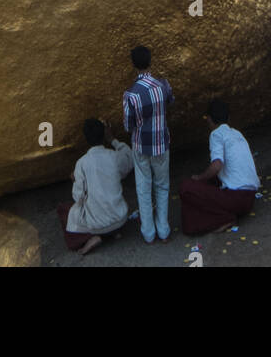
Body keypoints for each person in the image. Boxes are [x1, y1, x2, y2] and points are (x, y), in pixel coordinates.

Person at [179, 99, 260, 234]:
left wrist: (199, 178)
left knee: (186, 187)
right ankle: (227, 214)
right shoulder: (237, 133)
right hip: (250, 199)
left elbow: (217, 165)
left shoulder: (216, 134)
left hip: (236, 199)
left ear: (209, 119)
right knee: (211, 181)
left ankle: (224, 218)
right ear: (228, 118)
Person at [57, 117, 134, 255]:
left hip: (98, 226)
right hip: (120, 219)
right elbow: (129, 159)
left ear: (85, 138)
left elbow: (78, 197)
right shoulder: (114, 156)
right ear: (104, 135)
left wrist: (75, 181)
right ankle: (113, 234)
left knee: (64, 210)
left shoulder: (81, 164)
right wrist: (113, 140)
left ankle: (94, 237)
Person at [123, 46, 173, 244]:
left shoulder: (131, 95)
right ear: (150, 61)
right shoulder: (163, 85)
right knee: (162, 186)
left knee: (143, 188)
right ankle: (164, 231)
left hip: (141, 146)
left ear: (133, 64)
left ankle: (148, 233)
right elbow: (171, 101)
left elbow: (129, 125)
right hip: (161, 143)